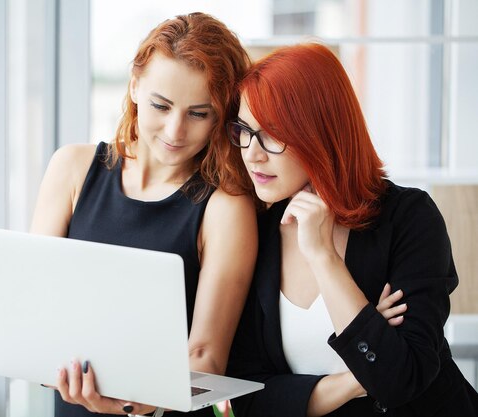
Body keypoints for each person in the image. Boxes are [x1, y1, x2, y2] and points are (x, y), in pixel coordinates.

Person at [226, 43, 478, 417]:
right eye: (245, 130)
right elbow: (247, 396)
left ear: (321, 131)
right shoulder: (254, 231)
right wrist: (355, 376)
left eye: (272, 135)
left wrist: (324, 257)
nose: (252, 152)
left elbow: (401, 380)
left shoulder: (410, 218)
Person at [30, 12, 257, 417]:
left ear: (222, 116)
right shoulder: (71, 169)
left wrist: (135, 407)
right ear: (134, 86)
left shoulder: (225, 208)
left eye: (198, 113)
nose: (174, 131)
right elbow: (37, 313)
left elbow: (206, 357)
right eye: (161, 105)